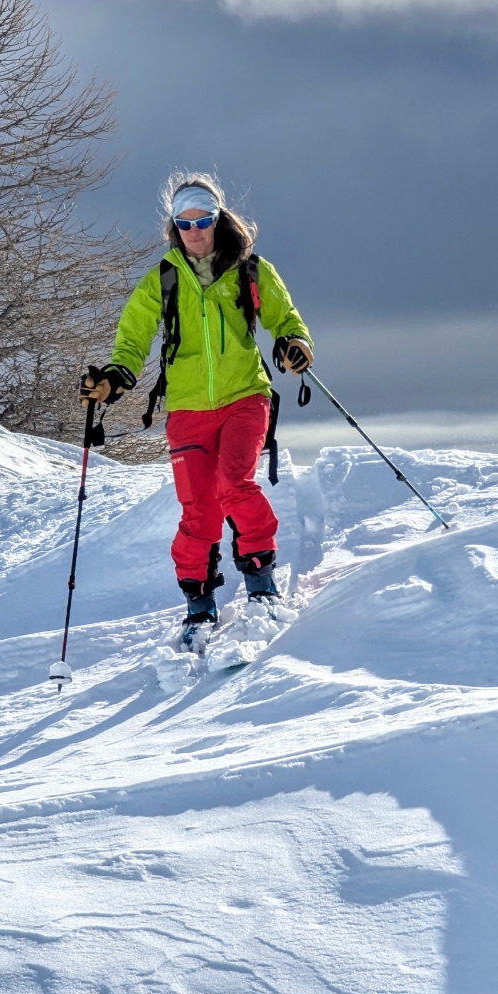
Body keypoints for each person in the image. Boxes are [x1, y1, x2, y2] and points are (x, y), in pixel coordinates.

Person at [80, 174, 313, 647]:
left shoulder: (250, 269)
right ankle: (198, 603)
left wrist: (295, 343)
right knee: (198, 507)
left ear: (217, 218)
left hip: (246, 395)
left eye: (203, 220)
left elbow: (284, 318)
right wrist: (115, 378)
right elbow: (133, 338)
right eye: (184, 223)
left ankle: (261, 582)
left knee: (233, 484)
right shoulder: (163, 279)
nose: (195, 231)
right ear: (174, 225)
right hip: (187, 407)